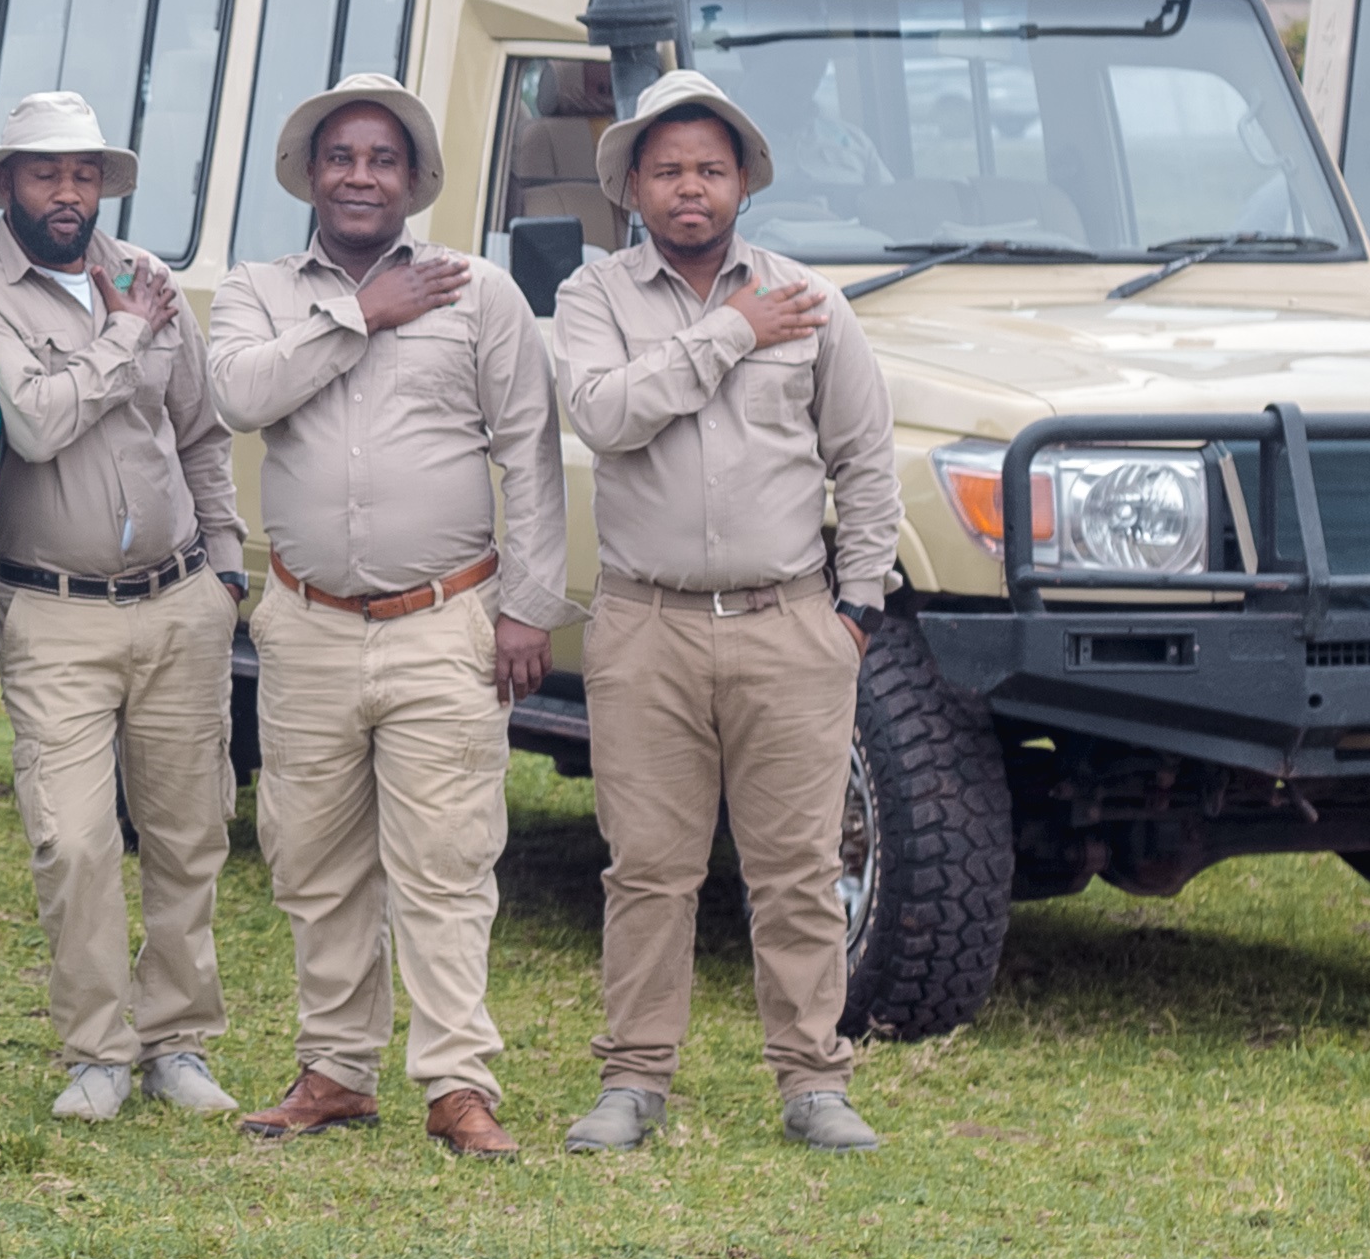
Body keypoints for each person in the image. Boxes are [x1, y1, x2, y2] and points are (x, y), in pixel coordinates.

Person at [200, 75, 569, 1160]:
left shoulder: (478, 292)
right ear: (310, 174)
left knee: (447, 859)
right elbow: (238, 395)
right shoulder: (258, 290)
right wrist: (357, 316)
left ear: (413, 179)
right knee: (312, 858)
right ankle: (335, 1071)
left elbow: (530, 454)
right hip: (308, 623)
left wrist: (528, 607)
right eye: (341, 156)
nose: (360, 174)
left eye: (383, 158)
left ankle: (457, 1084)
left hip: (445, 618)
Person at [549, 71, 904, 1156]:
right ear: (633, 187)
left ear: (743, 178)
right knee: (647, 865)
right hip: (644, 623)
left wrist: (855, 607)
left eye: (710, 168)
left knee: (796, 864)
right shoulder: (594, 297)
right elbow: (605, 414)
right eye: (668, 171)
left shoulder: (812, 300)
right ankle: (634, 1081)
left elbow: (866, 461)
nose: (690, 188)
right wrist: (731, 336)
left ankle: (813, 1081)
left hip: (789, 620)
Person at [0, 91, 248, 1124]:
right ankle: (96, 1051)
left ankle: (178, 1040)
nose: (67, 193)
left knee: (187, 831)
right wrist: (118, 339)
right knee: (72, 838)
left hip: (178, 598)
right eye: (44, 172)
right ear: (6, 183)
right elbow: (31, 420)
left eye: (83, 174)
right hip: (53, 608)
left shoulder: (150, 277)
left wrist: (227, 572)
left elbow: (201, 433)